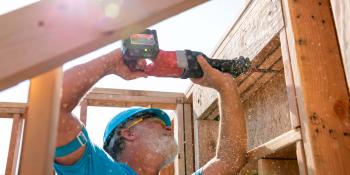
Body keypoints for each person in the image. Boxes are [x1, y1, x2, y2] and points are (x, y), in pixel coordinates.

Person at [54, 48, 247, 175]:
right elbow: (53, 108)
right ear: (128, 133)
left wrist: (225, 87)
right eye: (158, 121)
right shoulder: (95, 169)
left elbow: (229, 160)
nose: (169, 128)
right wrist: (112, 61)